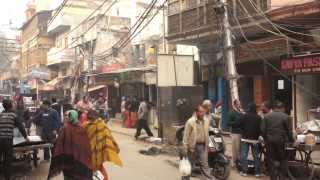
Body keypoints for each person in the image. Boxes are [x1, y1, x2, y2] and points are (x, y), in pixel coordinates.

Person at [49, 110, 93, 180]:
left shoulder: (65, 128)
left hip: (67, 159)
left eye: (67, 116)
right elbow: (86, 145)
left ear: (70, 117)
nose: (66, 118)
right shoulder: (81, 128)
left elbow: (59, 142)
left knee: (68, 176)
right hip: (79, 160)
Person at [83, 110, 123, 179]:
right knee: (99, 167)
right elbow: (109, 137)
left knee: (90, 170)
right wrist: (115, 146)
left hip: (88, 152)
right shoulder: (102, 124)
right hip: (99, 152)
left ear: (88, 117)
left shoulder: (85, 125)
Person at [261, 101, 294, 180]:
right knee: (283, 160)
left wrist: (266, 139)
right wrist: (292, 141)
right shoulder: (286, 117)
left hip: (269, 142)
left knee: (271, 161)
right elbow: (289, 132)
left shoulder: (267, 116)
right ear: (283, 108)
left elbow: (262, 130)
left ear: (274, 108)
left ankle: (273, 178)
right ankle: (282, 177)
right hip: (281, 142)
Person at [182, 105, 214, 180]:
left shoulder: (206, 120)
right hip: (192, 146)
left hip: (202, 146)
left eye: (203, 112)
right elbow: (186, 136)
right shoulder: (190, 122)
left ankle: (208, 178)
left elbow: (207, 133)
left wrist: (208, 145)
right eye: (200, 112)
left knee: (204, 164)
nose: (202, 113)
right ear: (196, 112)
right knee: (189, 165)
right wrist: (185, 148)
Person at [0, 99, 29, 180]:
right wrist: (26, 137)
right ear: (11, 106)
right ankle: (7, 177)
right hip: (7, 140)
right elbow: (21, 127)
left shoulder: (0, 115)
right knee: (7, 160)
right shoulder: (13, 115)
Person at [238, 103, 262, 177]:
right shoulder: (258, 117)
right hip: (255, 140)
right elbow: (261, 128)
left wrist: (243, 130)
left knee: (244, 155)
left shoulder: (244, 116)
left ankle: (244, 172)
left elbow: (238, 124)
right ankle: (257, 173)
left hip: (245, 138)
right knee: (256, 156)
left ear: (249, 108)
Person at [228, 99, 243, 167]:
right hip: (235, 133)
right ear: (235, 104)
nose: (239, 105)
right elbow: (228, 123)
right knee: (235, 149)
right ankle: (234, 162)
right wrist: (236, 122)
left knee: (240, 149)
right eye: (238, 104)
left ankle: (240, 162)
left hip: (242, 133)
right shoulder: (231, 113)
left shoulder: (241, 112)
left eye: (240, 104)